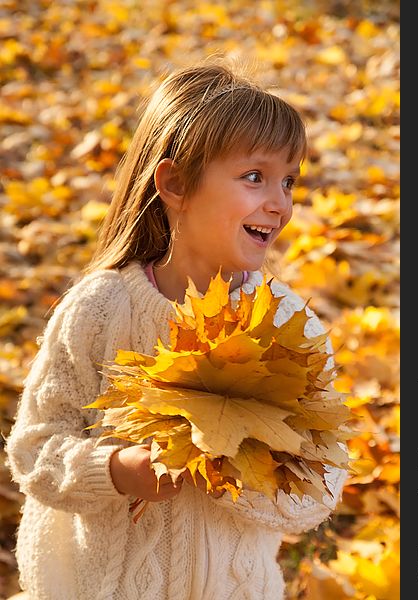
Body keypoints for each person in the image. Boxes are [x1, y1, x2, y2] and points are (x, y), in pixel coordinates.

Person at [5, 61, 348, 600]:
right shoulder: (100, 309)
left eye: (289, 180)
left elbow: (320, 488)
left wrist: (237, 470)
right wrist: (116, 469)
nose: (279, 202)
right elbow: (34, 450)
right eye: (254, 177)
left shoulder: (287, 326)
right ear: (176, 184)